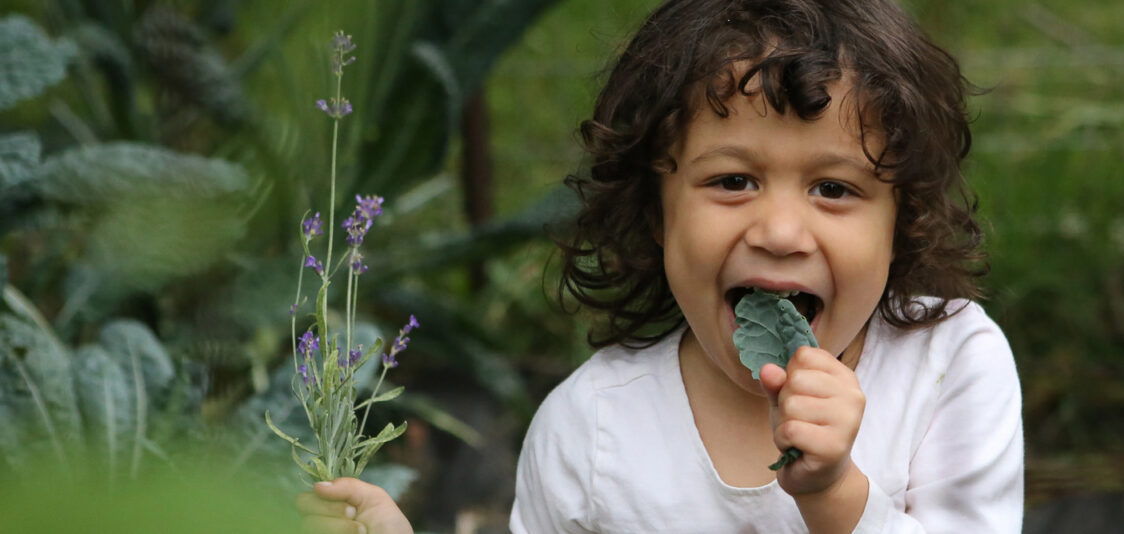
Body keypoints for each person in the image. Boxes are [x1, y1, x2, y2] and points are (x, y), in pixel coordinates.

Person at [296, 0, 1023, 532]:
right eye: (732, 181)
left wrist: (836, 495)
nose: (778, 230)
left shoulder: (950, 366)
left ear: (901, 224)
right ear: (656, 212)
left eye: (834, 189)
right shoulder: (592, 429)